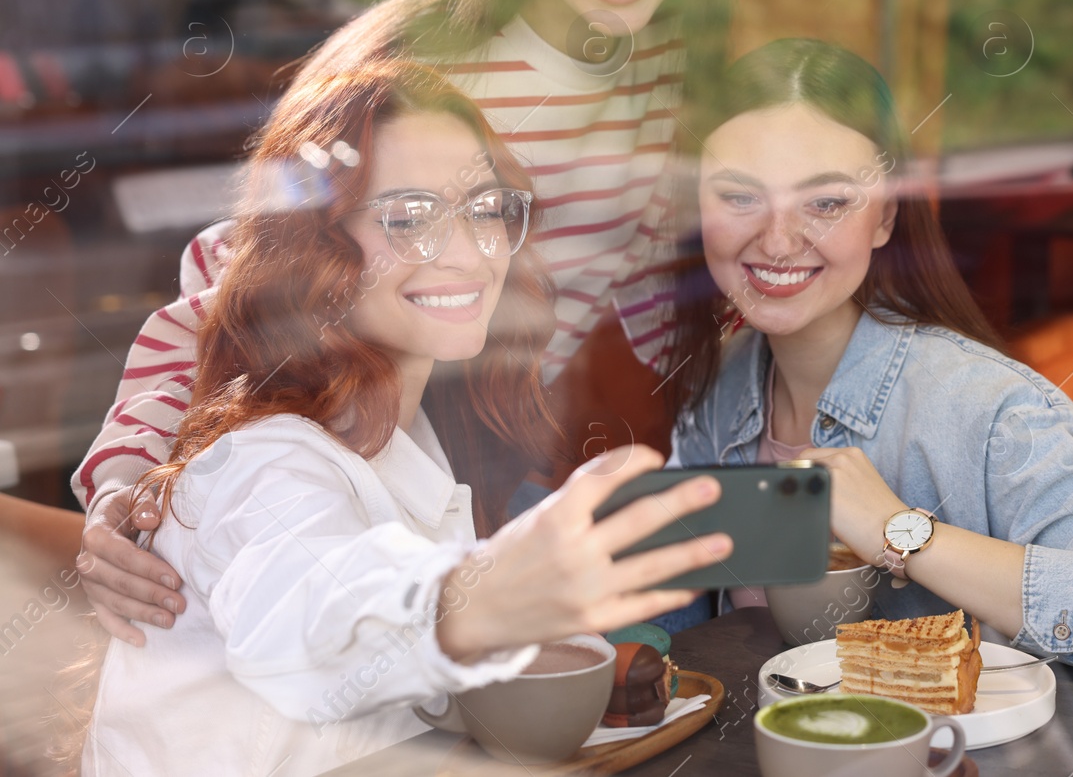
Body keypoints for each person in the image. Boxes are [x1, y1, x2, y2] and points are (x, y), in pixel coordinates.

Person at [74, 0, 733, 645]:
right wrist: (122, 482)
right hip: (366, 493)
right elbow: (227, 286)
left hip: (517, 475)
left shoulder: (664, 54)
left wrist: (720, 445)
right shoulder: (410, 74)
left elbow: (636, 253)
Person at [78, 59, 731, 776]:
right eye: (408, 217)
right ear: (313, 247)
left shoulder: (414, 432)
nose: (467, 250)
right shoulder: (264, 460)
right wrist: (473, 598)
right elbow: (309, 606)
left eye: (485, 206)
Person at [664, 39, 1073, 688]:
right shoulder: (718, 387)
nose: (777, 240)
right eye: (739, 196)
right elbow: (680, 613)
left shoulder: (984, 407)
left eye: (827, 202)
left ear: (886, 215)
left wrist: (900, 531)